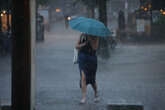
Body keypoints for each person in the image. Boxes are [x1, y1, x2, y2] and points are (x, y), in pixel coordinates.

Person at [75, 33, 99, 104]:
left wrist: (90, 39)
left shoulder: (96, 36)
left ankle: (96, 93)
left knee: (92, 80)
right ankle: (84, 97)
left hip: (92, 58)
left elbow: (95, 48)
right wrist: (83, 44)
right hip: (82, 57)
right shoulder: (82, 35)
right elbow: (76, 46)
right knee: (83, 77)